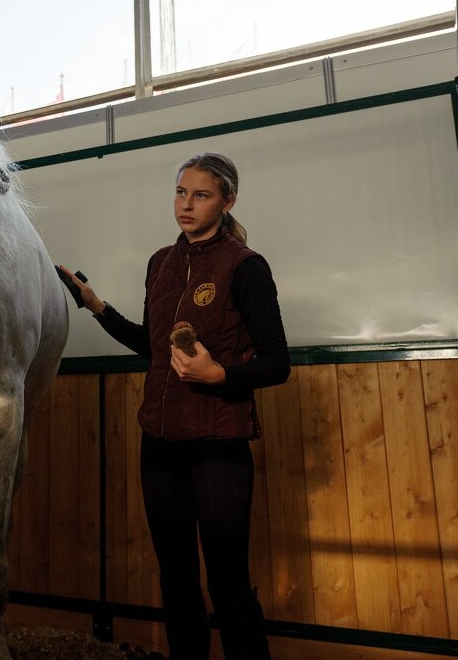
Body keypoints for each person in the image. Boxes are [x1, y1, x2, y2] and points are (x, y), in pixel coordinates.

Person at [59, 151, 289, 660]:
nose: (186, 204)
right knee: (177, 575)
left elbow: (277, 362)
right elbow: (154, 346)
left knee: (228, 581)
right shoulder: (160, 263)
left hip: (218, 445)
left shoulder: (246, 268)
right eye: (181, 192)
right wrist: (96, 306)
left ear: (227, 201)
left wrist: (219, 375)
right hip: (159, 444)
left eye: (201, 195)